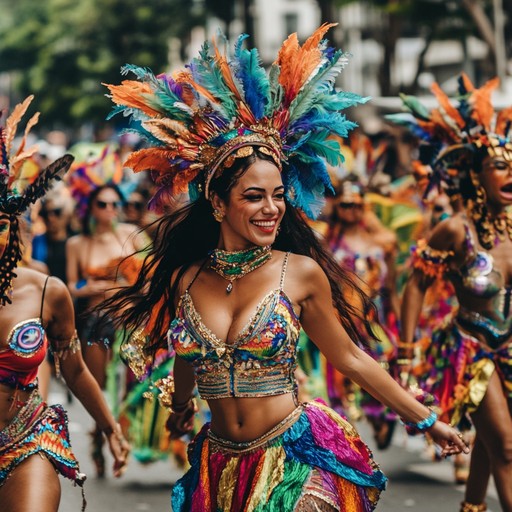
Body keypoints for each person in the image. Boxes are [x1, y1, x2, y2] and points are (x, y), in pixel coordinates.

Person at [102, 24, 467, 511]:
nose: (271, 209)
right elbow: (188, 356)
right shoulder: (183, 278)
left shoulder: (297, 271)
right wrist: (182, 409)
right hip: (220, 464)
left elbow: (351, 358)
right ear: (216, 202)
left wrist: (426, 420)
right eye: (253, 196)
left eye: (278, 196)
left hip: (294, 453)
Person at [0, 96, 129, 512]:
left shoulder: (44, 290)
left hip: (24, 440)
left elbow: (72, 369)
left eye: (1, 225)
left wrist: (110, 427)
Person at [390, 74, 512, 511]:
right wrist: (405, 351)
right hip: (470, 349)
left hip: (510, 348)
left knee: (497, 442)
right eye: (499, 165)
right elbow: (415, 283)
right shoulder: (455, 230)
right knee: (508, 447)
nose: (510, 172)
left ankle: (471, 507)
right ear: (476, 175)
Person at [66, 146, 144, 477]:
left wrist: (128, 286)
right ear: (91, 207)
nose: (111, 209)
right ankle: (100, 437)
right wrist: (94, 287)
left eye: (116, 203)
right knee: (95, 385)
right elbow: (70, 287)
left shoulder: (130, 235)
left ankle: (123, 437)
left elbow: (146, 278)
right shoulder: (77, 244)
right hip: (97, 321)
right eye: (103, 204)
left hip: (128, 319)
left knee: (131, 386)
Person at [326, 177, 400, 449]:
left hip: (375, 319)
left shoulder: (382, 242)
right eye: (345, 204)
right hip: (341, 319)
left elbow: (391, 288)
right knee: (340, 379)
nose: (350, 210)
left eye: (356, 204)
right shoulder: (326, 244)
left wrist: (401, 329)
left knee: (382, 365)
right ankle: (347, 440)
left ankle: (381, 415)